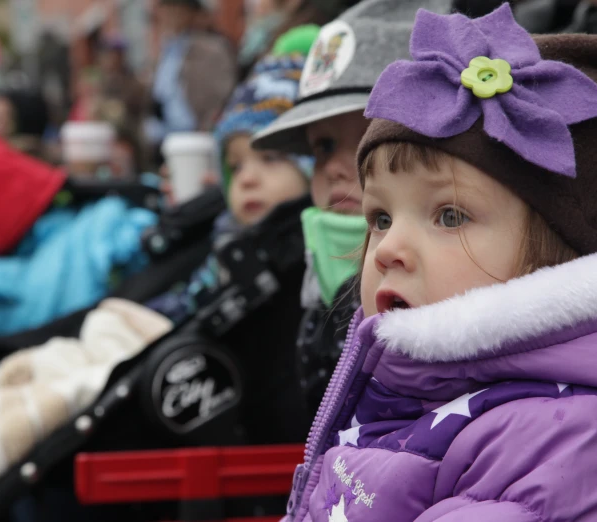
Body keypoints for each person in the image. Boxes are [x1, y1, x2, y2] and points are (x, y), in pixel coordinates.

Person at [285, 5, 597, 521]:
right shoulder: (409, 397)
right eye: (381, 217)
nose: (389, 248)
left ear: (564, 263)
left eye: (450, 215)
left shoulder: (566, 439)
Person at [251, 0, 452, 413]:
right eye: (322, 146)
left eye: (367, 141)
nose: (336, 168)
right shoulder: (302, 279)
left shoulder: (439, 285)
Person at [144, 39, 316, 324]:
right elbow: (187, 302)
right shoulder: (227, 236)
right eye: (235, 167)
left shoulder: (307, 257)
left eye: (270, 158)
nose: (246, 179)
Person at [144, 0, 238, 161]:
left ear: (190, 13)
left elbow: (221, 97)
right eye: (165, 10)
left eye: (176, 9)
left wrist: (206, 128)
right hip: (165, 140)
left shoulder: (211, 48)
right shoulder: (167, 49)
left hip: (196, 140)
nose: (169, 16)